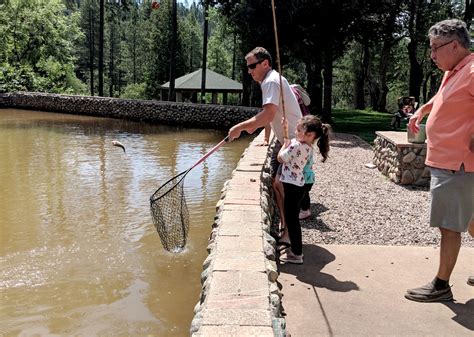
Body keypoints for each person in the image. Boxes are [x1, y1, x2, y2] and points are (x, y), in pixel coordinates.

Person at [404, 19, 473, 302]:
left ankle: (441, 284)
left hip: (457, 163)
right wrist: (423, 109)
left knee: (449, 225)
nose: (432, 54)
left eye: (435, 48)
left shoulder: (471, 70)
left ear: (454, 45)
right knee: (471, 221)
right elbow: (444, 96)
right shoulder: (455, 71)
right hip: (455, 163)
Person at [228, 46, 302, 239]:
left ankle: (289, 235)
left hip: (294, 142)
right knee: (279, 185)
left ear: (265, 63)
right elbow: (271, 114)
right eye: (248, 67)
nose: (249, 71)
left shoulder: (270, 82)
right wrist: (254, 126)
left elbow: (268, 113)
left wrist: (240, 127)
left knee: (281, 185)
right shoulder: (272, 79)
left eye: (252, 66)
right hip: (287, 140)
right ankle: (285, 226)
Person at [278, 115, 330, 264]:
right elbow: (292, 142)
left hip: (292, 186)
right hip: (298, 185)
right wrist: (286, 130)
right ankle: (296, 249)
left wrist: (284, 145)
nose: (298, 133)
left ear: (311, 135)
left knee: (292, 220)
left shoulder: (297, 146)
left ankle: (296, 254)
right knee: (293, 218)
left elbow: (281, 158)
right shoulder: (306, 146)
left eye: (302, 131)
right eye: (298, 129)